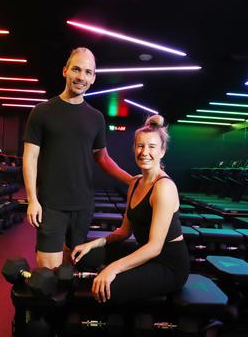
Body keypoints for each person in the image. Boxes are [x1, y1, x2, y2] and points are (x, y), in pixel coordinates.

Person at [23, 47, 132, 269]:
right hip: (51, 204)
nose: (81, 77)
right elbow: (30, 157)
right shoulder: (42, 112)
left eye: (87, 72)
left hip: (83, 205)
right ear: (65, 71)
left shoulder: (96, 117)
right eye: (76, 69)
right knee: (47, 272)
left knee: (71, 267)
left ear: (93, 78)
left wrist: (132, 180)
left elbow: (103, 158)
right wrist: (32, 199)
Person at [71, 115, 189, 305]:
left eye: (151, 147)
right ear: (134, 148)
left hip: (167, 265)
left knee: (108, 288)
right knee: (86, 256)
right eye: (140, 146)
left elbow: (154, 247)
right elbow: (124, 232)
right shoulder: (135, 182)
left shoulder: (164, 187)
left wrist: (112, 269)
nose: (144, 152)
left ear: (162, 151)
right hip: (145, 254)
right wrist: (92, 244)